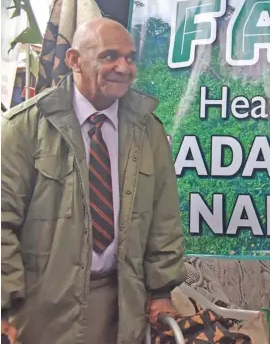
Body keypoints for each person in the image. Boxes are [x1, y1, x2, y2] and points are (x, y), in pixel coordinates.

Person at [1, 18, 186, 343]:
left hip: (122, 307)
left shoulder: (149, 131)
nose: (123, 67)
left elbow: (163, 220)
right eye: (109, 56)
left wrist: (160, 290)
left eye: (130, 58)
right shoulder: (25, 129)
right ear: (74, 60)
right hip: (42, 310)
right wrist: (5, 305)